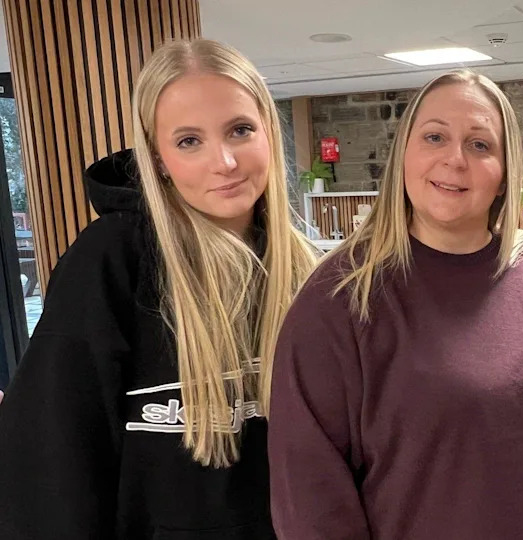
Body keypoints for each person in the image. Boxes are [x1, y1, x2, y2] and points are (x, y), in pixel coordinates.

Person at [0, 39, 316, 539]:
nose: (226, 162)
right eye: (189, 141)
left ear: (269, 136)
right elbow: (54, 458)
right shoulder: (111, 259)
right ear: (158, 158)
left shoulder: (307, 272)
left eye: (240, 130)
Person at [268, 69, 523, 539]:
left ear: (504, 175)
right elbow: (309, 496)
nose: (455, 159)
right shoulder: (340, 298)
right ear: (403, 157)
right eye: (434, 137)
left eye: (480, 145)